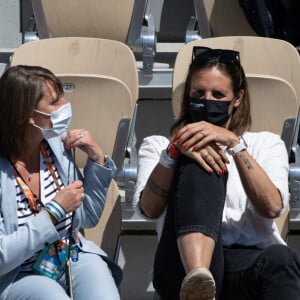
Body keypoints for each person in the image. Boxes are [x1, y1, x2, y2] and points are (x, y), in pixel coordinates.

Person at [133, 46, 300, 300]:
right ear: (188, 95)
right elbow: (148, 209)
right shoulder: (158, 146)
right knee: (196, 158)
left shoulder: (265, 144)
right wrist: (173, 155)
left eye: (218, 94)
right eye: (199, 92)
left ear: (237, 98)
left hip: (242, 259)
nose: (207, 100)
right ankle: (198, 280)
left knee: (281, 259)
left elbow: (272, 207)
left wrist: (235, 145)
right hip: (178, 267)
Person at [0, 65, 122, 300]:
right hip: (18, 274)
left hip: (69, 255)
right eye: (55, 102)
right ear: (28, 116)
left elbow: (87, 217)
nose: (65, 105)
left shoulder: (55, 147)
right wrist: (54, 211)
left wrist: (97, 159)